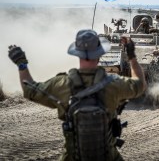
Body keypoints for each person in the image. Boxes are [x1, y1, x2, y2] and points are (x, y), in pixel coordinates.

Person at [8, 29, 147, 161]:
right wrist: (132, 56)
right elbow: (140, 84)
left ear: (77, 54)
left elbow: (29, 90)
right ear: (99, 55)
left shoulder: (62, 84)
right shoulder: (113, 84)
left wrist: (22, 64)